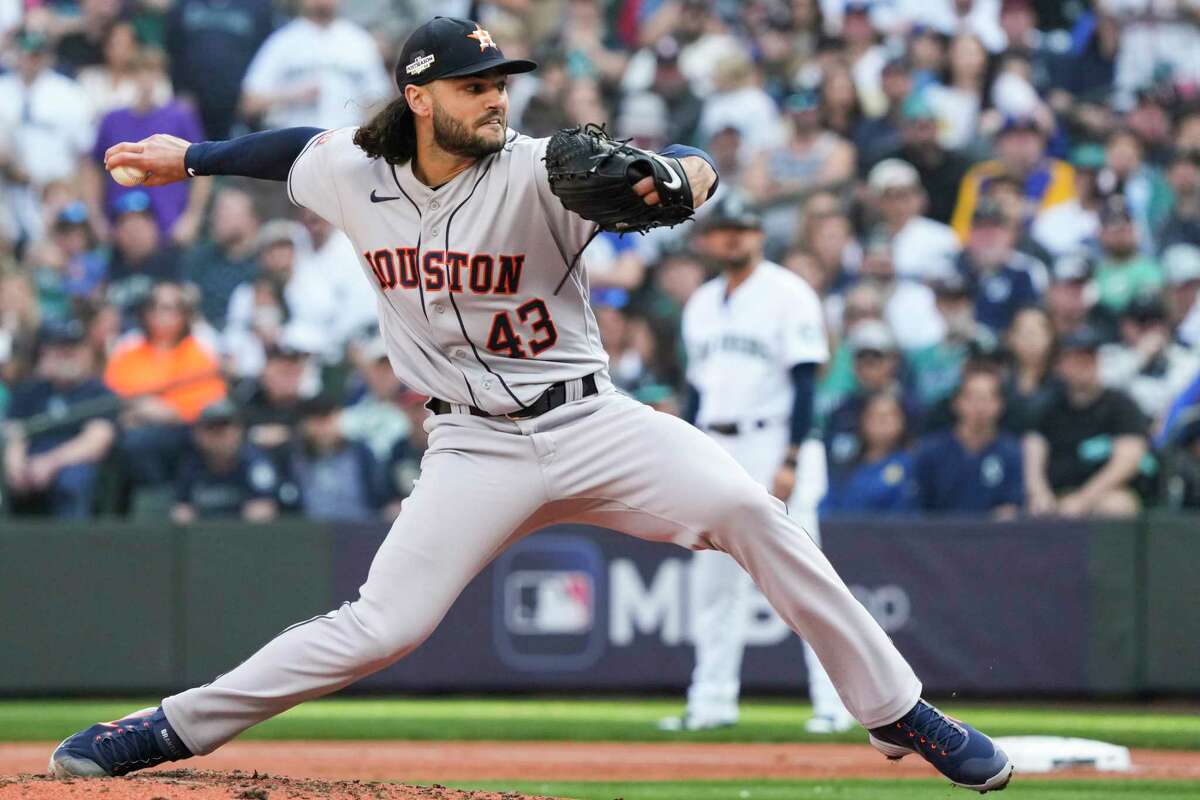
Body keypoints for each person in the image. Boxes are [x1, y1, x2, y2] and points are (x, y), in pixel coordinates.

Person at [59, 17, 1013, 794]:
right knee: (383, 626)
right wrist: (188, 158)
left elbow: (676, 165)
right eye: (476, 85)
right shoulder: (354, 168)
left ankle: (897, 710)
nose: (497, 99)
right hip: (471, 448)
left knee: (749, 511)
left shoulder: (543, 168)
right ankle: (165, 729)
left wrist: (681, 174)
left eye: (502, 83)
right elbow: (284, 151)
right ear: (419, 97)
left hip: (592, 421)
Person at [664, 194, 852, 735]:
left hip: (774, 443)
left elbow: (804, 384)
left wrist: (792, 455)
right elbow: (696, 392)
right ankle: (711, 702)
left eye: (742, 230)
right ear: (707, 240)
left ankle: (834, 704)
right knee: (714, 584)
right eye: (723, 230)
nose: (732, 238)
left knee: (802, 579)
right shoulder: (702, 303)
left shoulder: (789, 294)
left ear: (759, 236)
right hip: (718, 448)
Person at [104, 281, 227, 489]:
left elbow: (212, 402)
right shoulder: (128, 350)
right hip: (135, 427)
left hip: (184, 430)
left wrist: (170, 412)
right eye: (154, 307)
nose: (160, 314)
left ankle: (161, 501)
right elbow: (111, 395)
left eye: (168, 308)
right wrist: (141, 411)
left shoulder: (199, 353)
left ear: (184, 314)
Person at [1024, 327, 1148, 518]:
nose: (1084, 364)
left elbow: (1128, 459)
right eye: (1075, 358)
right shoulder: (1049, 406)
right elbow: (1033, 447)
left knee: (1117, 505)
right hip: (1058, 494)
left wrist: (1083, 499)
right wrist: (1039, 492)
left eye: (1089, 357)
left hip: (1102, 494)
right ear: (1060, 365)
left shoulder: (1120, 405)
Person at [3, 319, 117, 518]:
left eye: (73, 349)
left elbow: (97, 440)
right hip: (29, 466)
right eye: (60, 350)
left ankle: (73, 548)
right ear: (45, 353)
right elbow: (14, 433)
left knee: (72, 480)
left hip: (70, 464)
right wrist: (16, 464)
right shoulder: (30, 391)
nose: (67, 357)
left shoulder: (98, 392)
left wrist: (50, 463)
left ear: (88, 352)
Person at [912, 364, 1024, 516]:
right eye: (972, 398)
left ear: (1000, 405)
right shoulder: (931, 450)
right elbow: (917, 506)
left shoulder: (1010, 451)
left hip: (990, 536)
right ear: (957, 403)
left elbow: (1013, 504)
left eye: (988, 398)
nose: (980, 406)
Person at [171, 398, 280, 524]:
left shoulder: (255, 462)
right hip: (204, 536)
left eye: (225, 427)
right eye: (211, 428)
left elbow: (263, 508)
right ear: (198, 434)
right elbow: (182, 507)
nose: (219, 435)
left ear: (239, 431)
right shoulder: (192, 464)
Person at [821, 390, 917, 514]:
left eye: (889, 416)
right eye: (874, 416)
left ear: (902, 422)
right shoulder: (846, 464)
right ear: (862, 421)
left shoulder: (911, 464)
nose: (881, 422)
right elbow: (828, 505)